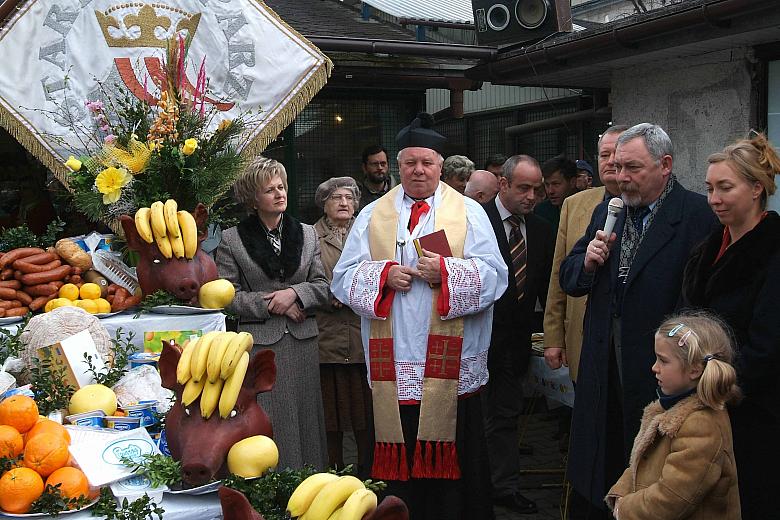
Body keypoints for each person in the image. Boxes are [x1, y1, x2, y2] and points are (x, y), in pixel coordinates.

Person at [332, 112, 507, 519]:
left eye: (427, 162)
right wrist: (383, 275)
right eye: (409, 162)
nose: (418, 170)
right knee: (399, 458)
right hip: (395, 363)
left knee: (457, 470)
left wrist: (444, 272)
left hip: (451, 364)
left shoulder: (468, 212)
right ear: (398, 166)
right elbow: (342, 279)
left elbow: (496, 277)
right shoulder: (373, 214)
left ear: (440, 166)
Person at [559, 123, 716, 518]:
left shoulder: (697, 216)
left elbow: (698, 304)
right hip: (603, 363)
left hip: (656, 366)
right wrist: (588, 263)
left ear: (665, 165)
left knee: (648, 468)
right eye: (616, 166)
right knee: (601, 463)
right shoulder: (608, 210)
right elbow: (570, 277)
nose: (621, 177)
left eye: (632, 168)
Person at [681, 132, 780, 519]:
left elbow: (768, 345)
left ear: (757, 189)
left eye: (725, 188)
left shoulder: (772, 251)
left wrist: (713, 385)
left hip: (756, 412)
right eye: (709, 188)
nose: (714, 199)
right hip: (706, 406)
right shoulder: (707, 246)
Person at [215, 156, 329, 471]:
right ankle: (272, 488)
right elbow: (228, 296)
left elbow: (323, 286)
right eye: (270, 190)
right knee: (270, 418)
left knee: (306, 419)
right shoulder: (231, 239)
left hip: (303, 343)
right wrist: (270, 303)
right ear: (253, 199)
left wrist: (294, 293)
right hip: (261, 345)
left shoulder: (307, 233)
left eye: (281, 187)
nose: (280, 194)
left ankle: (311, 483)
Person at [606, 313, 741, 520]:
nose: (654, 368)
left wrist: (625, 509)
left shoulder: (702, 425)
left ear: (694, 370)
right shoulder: (667, 408)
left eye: (663, 360)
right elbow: (639, 464)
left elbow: (672, 499)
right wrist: (620, 494)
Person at [481, 155, 555, 514]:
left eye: (537, 189)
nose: (531, 196)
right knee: (475, 419)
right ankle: (475, 485)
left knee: (508, 417)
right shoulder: (476, 221)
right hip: (476, 344)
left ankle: (504, 487)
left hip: (514, 345)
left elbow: (545, 290)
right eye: (523, 188)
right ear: (503, 184)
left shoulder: (540, 229)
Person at [544, 125, 628, 383]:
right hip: (583, 335)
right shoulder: (575, 204)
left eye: (617, 154)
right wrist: (553, 337)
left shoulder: (646, 206)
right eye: (604, 155)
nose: (611, 162)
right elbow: (559, 271)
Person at [312, 176, 374, 477]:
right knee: (331, 413)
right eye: (336, 197)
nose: (344, 203)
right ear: (324, 204)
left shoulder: (368, 232)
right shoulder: (310, 236)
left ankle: (369, 471)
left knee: (364, 411)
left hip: (363, 335)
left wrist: (354, 292)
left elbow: (377, 268)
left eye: (349, 197)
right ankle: (333, 471)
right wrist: (330, 293)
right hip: (327, 337)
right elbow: (305, 278)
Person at [534, 155, 579, 230]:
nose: (550, 191)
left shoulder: (589, 208)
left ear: (572, 182)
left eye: (556, 184)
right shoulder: (541, 211)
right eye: (547, 185)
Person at [359, 145, 393, 211]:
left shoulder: (398, 192)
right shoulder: (358, 196)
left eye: (383, 164)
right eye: (374, 164)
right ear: (364, 167)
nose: (380, 168)